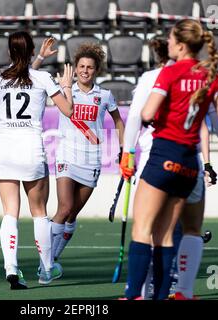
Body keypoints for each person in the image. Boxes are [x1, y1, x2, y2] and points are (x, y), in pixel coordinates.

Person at [119, 19, 218, 300]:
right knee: (172, 233)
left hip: (164, 155)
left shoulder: (169, 73)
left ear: (180, 45)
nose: (167, 43)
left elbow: (146, 113)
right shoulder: (211, 76)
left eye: (170, 39)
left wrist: (150, 117)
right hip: (190, 163)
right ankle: (176, 293)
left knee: (143, 231)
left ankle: (133, 296)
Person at [0, 31, 74, 289]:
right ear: (31, 52)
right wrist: (65, 85)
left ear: (9, 53)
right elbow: (68, 110)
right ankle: (48, 267)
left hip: (3, 152)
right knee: (39, 213)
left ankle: (11, 268)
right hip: (30, 151)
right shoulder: (42, 78)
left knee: (10, 212)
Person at [35, 40, 125, 274]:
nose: (85, 71)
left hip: (91, 160)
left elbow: (118, 121)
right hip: (66, 155)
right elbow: (31, 79)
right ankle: (46, 263)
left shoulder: (104, 95)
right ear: (75, 68)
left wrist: (124, 148)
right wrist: (42, 58)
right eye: (81, 66)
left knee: (73, 214)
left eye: (90, 67)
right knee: (63, 208)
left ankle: (52, 257)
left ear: (96, 70)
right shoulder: (65, 89)